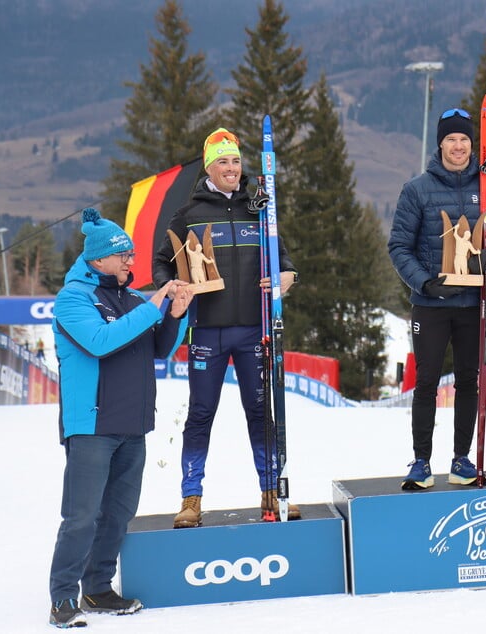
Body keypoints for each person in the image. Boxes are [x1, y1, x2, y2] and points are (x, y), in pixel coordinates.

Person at [49, 208, 191, 628]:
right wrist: (154, 306)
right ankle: (62, 598)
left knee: (117, 514)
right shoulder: (72, 298)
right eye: (124, 254)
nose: (132, 261)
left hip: (133, 426)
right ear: (98, 259)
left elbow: (159, 349)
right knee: (81, 516)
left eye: (131, 254)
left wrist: (177, 313)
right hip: (92, 426)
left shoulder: (132, 299)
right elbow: (99, 342)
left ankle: (97, 589)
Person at [152, 127, 299, 528]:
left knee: (259, 411)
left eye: (235, 161)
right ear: (209, 167)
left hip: (254, 329)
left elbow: (284, 262)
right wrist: (174, 285)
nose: (232, 168)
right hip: (208, 332)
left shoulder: (260, 210)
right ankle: (191, 499)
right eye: (223, 162)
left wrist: (287, 278)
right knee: (201, 414)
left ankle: (272, 491)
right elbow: (161, 263)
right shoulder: (189, 214)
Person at [388, 107, 486, 490]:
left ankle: (462, 458)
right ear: (440, 144)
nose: (458, 146)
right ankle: (421, 462)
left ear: (472, 144)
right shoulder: (417, 189)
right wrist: (424, 283)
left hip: (475, 304)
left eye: (464, 139)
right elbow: (399, 246)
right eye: (451, 139)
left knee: (470, 381)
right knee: (427, 383)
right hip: (431, 304)